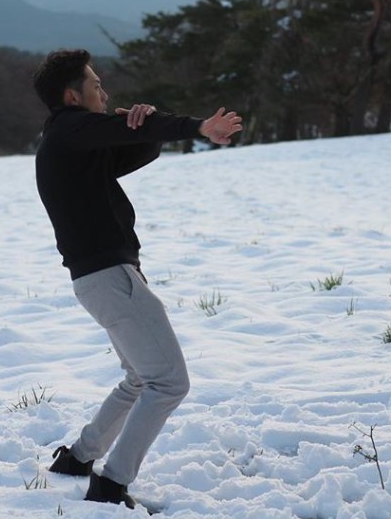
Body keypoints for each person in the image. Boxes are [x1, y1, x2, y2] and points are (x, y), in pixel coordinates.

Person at [32, 48, 242, 508]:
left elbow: (131, 156)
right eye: (95, 85)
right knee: (168, 382)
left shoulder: (67, 141)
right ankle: (111, 484)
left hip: (103, 280)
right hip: (110, 279)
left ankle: (78, 459)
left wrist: (142, 126)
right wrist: (199, 128)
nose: (104, 93)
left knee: (139, 379)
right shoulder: (70, 129)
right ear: (72, 96)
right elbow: (121, 137)